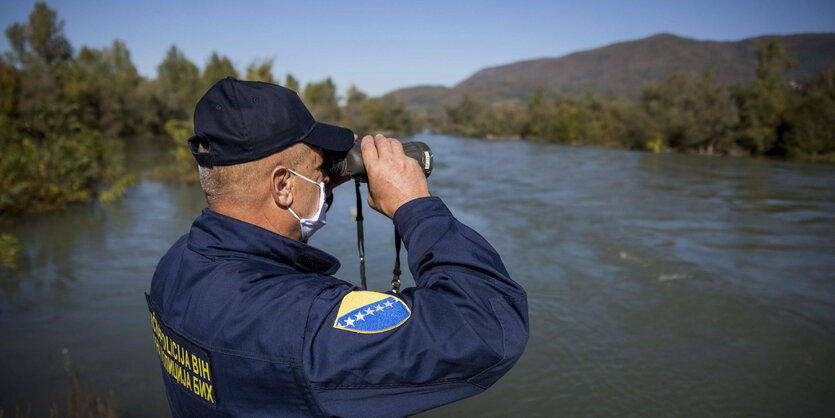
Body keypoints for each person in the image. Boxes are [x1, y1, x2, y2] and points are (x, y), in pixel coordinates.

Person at [146, 77, 529, 417]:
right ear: (282, 185)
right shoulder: (306, 327)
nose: (328, 180)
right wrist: (414, 206)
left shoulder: (176, 265)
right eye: (319, 171)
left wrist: (316, 180)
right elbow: (489, 326)